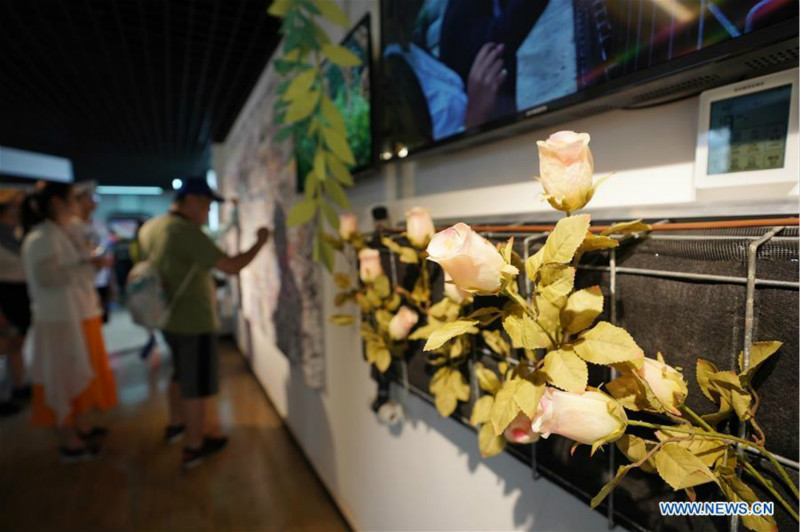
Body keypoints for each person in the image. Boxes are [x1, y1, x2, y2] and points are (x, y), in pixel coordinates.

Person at [138, 177, 269, 468]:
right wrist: (260, 242)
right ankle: (195, 446)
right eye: (207, 206)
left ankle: (176, 425)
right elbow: (232, 267)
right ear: (193, 201)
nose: (208, 212)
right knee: (195, 385)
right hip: (192, 321)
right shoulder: (186, 232)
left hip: (166, 316)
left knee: (179, 374)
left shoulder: (151, 227)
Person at [21, 182, 118, 463]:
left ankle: (77, 426)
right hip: (58, 320)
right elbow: (50, 278)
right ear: (57, 203)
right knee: (60, 377)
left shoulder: (58, 233)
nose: (79, 204)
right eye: (74, 199)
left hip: (69, 316)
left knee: (74, 369)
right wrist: (88, 266)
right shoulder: (43, 237)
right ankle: (69, 440)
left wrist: (87, 263)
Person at [0, 190, 32, 414]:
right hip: (5, 293)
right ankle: (4, 394)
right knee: (5, 344)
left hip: (22, 291)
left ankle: (18, 385)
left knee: (17, 343)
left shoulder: (22, 231)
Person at [72, 184, 114, 323]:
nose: (93, 201)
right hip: (80, 282)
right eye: (88, 197)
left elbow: (106, 246)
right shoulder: (71, 226)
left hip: (101, 279)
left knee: (98, 318)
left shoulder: (99, 224)